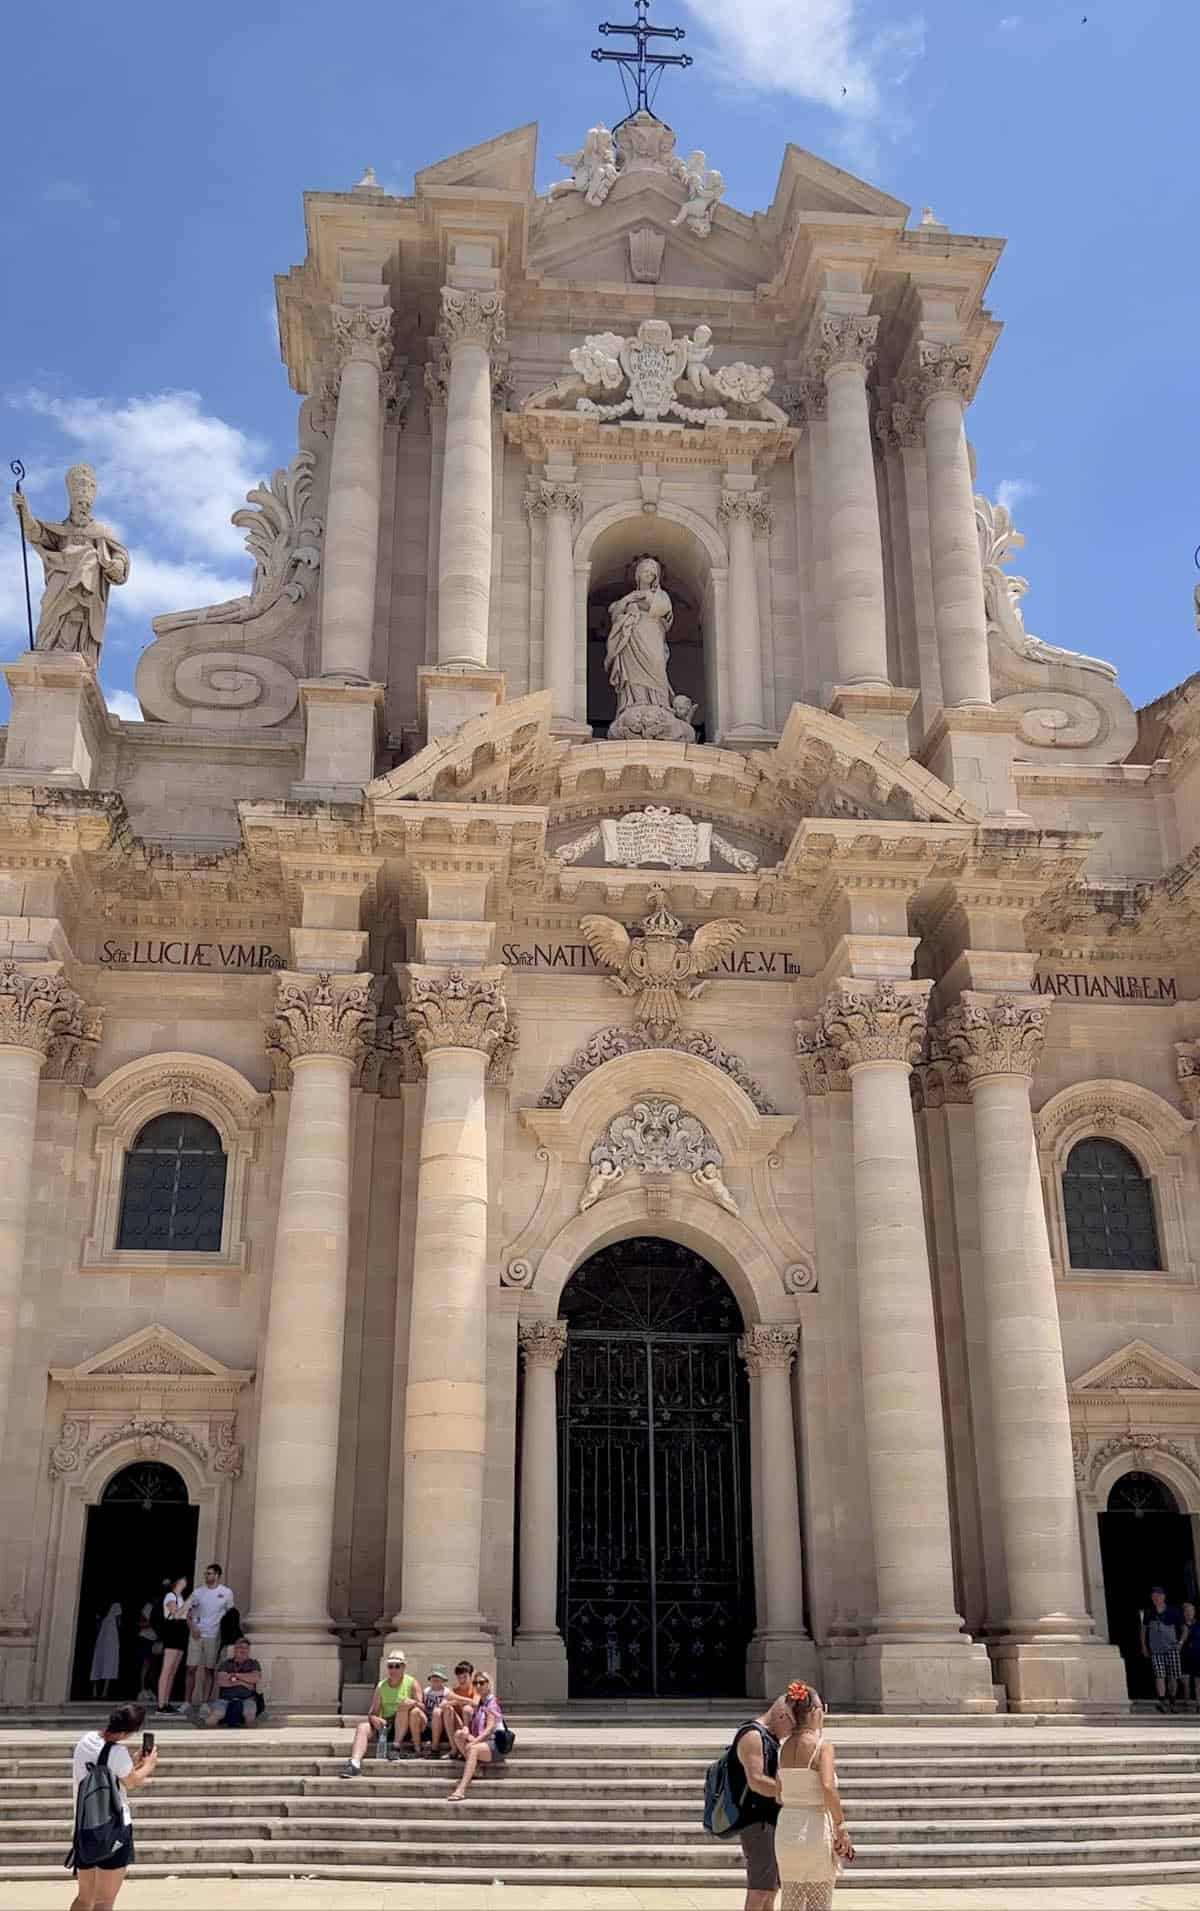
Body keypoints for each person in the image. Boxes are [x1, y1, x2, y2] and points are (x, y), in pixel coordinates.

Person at [69, 1702, 157, 1911]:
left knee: (84, 1898)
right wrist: (149, 1765)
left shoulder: (86, 1741)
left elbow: (112, 1771)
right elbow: (132, 1781)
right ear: (130, 1731)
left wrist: (131, 1762)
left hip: (84, 1827)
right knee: (104, 1901)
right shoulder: (118, 1752)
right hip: (114, 1828)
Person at [776, 1682, 853, 1911]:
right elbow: (828, 1787)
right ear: (814, 1712)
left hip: (787, 1828)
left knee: (791, 1901)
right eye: (823, 1708)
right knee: (818, 1904)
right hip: (814, 1829)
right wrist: (841, 1827)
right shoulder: (822, 1747)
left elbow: (779, 1794)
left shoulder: (783, 1748)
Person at [725, 1691, 795, 1911]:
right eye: (792, 1728)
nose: (790, 1734)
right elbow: (756, 1781)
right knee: (760, 1891)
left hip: (770, 1821)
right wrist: (793, 1794)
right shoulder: (753, 1735)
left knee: (770, 1889)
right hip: (758, 1823)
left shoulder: (770, 1737)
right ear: (782, 1715)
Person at [340, 1651, 421, 1774]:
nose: (393, 1669)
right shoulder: (381, 1685)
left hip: (408, 1724)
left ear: (404, 1667)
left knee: (404, 1707)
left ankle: (396, 1746)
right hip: (387, 1724)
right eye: (390, 1666)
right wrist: (375, 1719)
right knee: (362, 1727)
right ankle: (354, 1763)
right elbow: (372, 1713)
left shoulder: (412, 1682)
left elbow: (422, 1707)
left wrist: (411, 1703)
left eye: (397, 1666)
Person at [184, 1564, 234, 1715]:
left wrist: (225, 1636)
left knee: (209, 1669)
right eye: (206, 1574)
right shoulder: (198, 1592)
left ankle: (205, 1703)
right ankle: (187, 1702)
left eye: (210, 1574)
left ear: (218, 1575)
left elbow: (230, 1616)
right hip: (196, 1635)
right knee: (191, 1668)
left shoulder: (226, 1592)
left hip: (213, 1635)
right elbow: (187, 1612)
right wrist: (192, 1627)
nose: (207, 1576)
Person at [448, 1671, 503, 1802]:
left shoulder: (491, 1703)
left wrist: (474, 1742)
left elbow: (489, 1730)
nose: (478, 1685)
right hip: (482, 1741)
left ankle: (461, 1789)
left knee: (473, 1749)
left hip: (494, 1744)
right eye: (475, 1683)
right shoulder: (480, 1703)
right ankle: (476, 1769)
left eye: (482, 1683)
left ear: (488, 1685)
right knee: (458, 1735)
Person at [1142, 1585, 1184, 1712]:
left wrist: (1181, 1642)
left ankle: (1172, 1701)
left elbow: (1184, 1628)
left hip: (1171, 1649)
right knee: (1159, 1675)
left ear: (1163, 1597)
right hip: (1156, 1650)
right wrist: (1144, 1646)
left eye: (1158, 1596)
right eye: (1153, 1596)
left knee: (1172, 1677)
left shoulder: (1173, 1611)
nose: (1155, 1598)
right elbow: (1143, 1631)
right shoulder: (1149, 1613)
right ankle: (1161, 1701)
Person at [204, 1637, 263, 1729]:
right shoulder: (225, 1664)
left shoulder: (253, 1663)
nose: (243, 1650)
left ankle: (251, 1740)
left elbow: (255, 1678)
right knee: (214, 1716)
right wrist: (244, 1683)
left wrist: (234, 1676)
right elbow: (221, 1681)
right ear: (235, 1649)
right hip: (225, 1700)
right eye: (240, 1647)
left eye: (245, 1648)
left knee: (250, 1716)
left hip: (247, 1699)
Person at [156, 1578, 190, 1714]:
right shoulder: (171, 1595)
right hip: (173, 1630)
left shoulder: (181, 1597)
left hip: (181, 1632)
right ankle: (160, 1704)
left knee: (173, 1670)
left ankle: (166, 1701)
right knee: (167, 1668)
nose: (185, 1581)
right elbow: (175, 1614)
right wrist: (188, 1604)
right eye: (182, 1580)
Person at [414, 1667, 450, 1757]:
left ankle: (435, 1748)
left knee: (437, 1712)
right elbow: (422, 1706)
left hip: (440, 1724)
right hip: (428, 1723)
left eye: (438, 1678)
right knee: (415, 1712)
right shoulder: (426, 1691)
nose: (435, 1680)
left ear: (443, 1680)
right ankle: (417, 1746)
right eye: (433, 1678)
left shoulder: (447, 1692)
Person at [89, 1604, 122, 1701]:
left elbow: (97, 1626)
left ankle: (94, 1691)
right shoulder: (116, 1605)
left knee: (98, 1663)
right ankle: (104, 1692)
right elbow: (119, 1623)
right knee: (109, 1664)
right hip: (112, 1638)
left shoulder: (101, 1610)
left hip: (101, 1638)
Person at [135, 1605, 162, 1702]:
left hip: (155, 1640)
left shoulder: (163, 1607)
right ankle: (142, 1691)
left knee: (154, 1667)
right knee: (146, 1665)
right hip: (145, 1638)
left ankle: (149, 1690)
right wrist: (153, 1623)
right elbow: (140, 1623)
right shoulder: (148, 1607)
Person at [1181, 1600, 1200, 1712]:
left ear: (1194, 1612)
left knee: (1198, 1682)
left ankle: (1199, 1705)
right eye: (1186, 1611)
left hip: (1197, 1657)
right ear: (1183, 1613)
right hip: (1184, 1657)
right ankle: (1187, 1706)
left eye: (1191, 1611)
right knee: (1186, 1683)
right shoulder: (1180, 1625)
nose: (1189, 1613)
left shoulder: (1198, 1625)